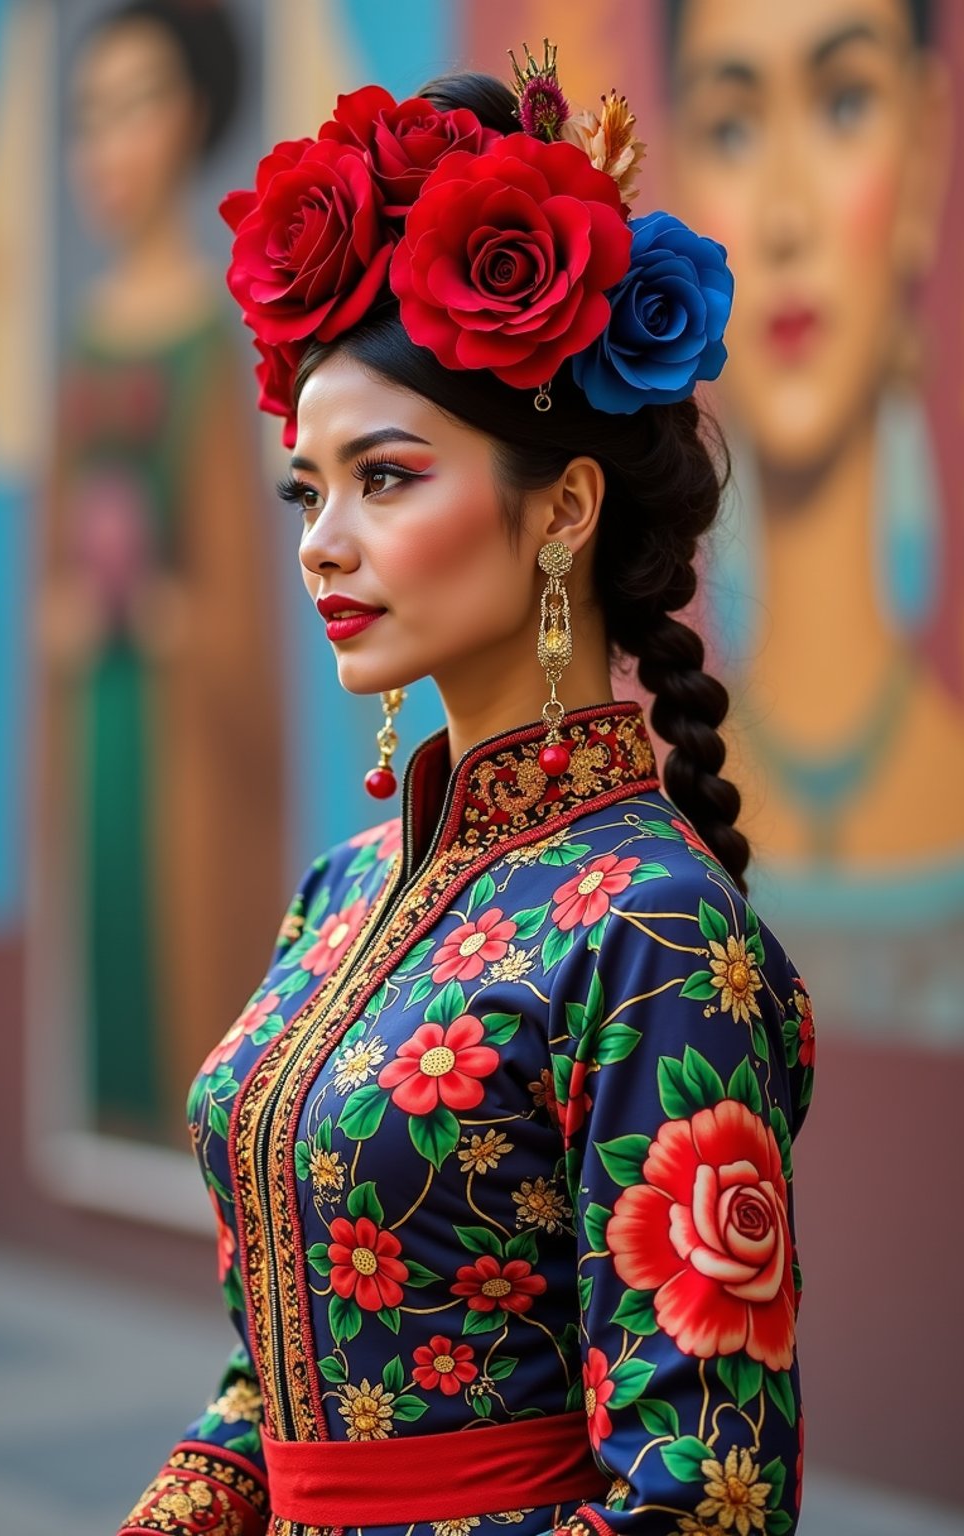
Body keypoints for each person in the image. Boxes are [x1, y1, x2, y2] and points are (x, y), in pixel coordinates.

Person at [119, 50, 812, 1536]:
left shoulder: (654, 935)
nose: (321, 542)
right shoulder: (342, 890)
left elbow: (708, 1501)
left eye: (385, 477)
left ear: (561, 506)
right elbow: (278, 1370)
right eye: (307, 491)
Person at [661, 0, 964, 1038]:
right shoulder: (642, 839)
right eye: (734, 128)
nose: (786, 216)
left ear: (923, 155)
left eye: (842, 104)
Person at [34, 0, 281, 1146]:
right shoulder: (85, 340)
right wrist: (70, 616)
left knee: (188, 950)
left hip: (182, 715)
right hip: (103, 707)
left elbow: (238, 587)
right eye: (90, 116)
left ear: (189, 121)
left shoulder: (204, 330)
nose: (108, 147)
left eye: (134, 108)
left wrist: (184, 621)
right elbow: (53, 546)